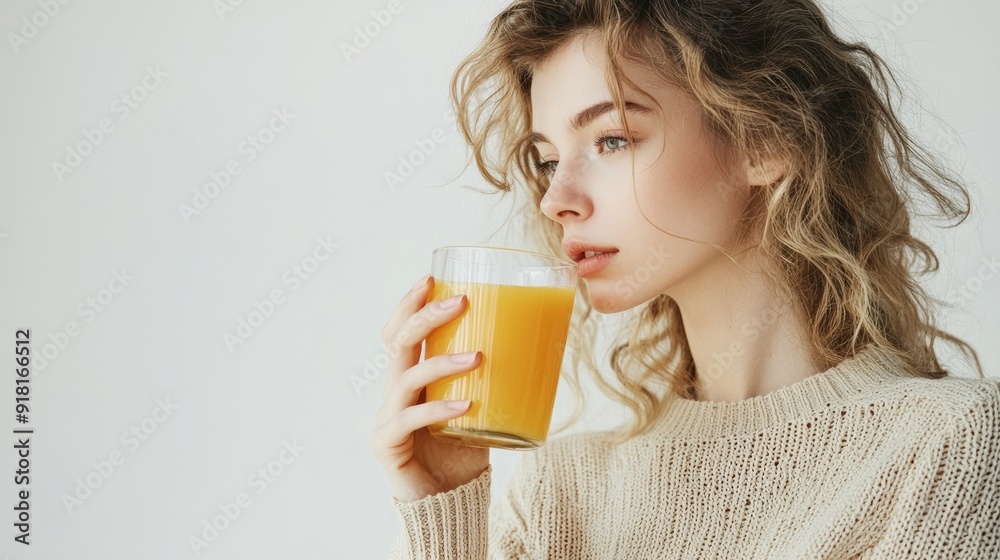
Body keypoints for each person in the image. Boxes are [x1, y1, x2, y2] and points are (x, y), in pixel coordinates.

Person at [371, 0, 1000, 557]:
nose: (555, 198)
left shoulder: (945, 445)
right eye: (548, 159)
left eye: (612, 139)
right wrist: (443, 511)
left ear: (765, 140)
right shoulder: (557, 496)